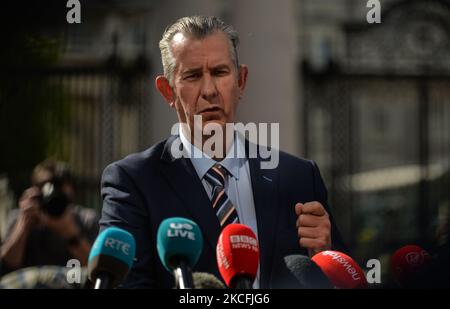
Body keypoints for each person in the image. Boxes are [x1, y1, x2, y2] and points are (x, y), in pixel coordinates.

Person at [99, 15, 347, 288]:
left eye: (220, 73)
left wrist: (326, 254)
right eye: (192, 76)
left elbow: (346, 278)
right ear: (167, 91)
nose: (209, 91)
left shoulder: (299, 178)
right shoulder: (134, 182)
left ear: (241, 80)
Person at [0, 160, 98, 277]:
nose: (54, 193)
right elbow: (6, 266)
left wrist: (71, 234)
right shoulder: (21, 217)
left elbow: (96, 269)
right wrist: (23, 225)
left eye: (60, 185)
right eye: (46, 185)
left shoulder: (87, 220)